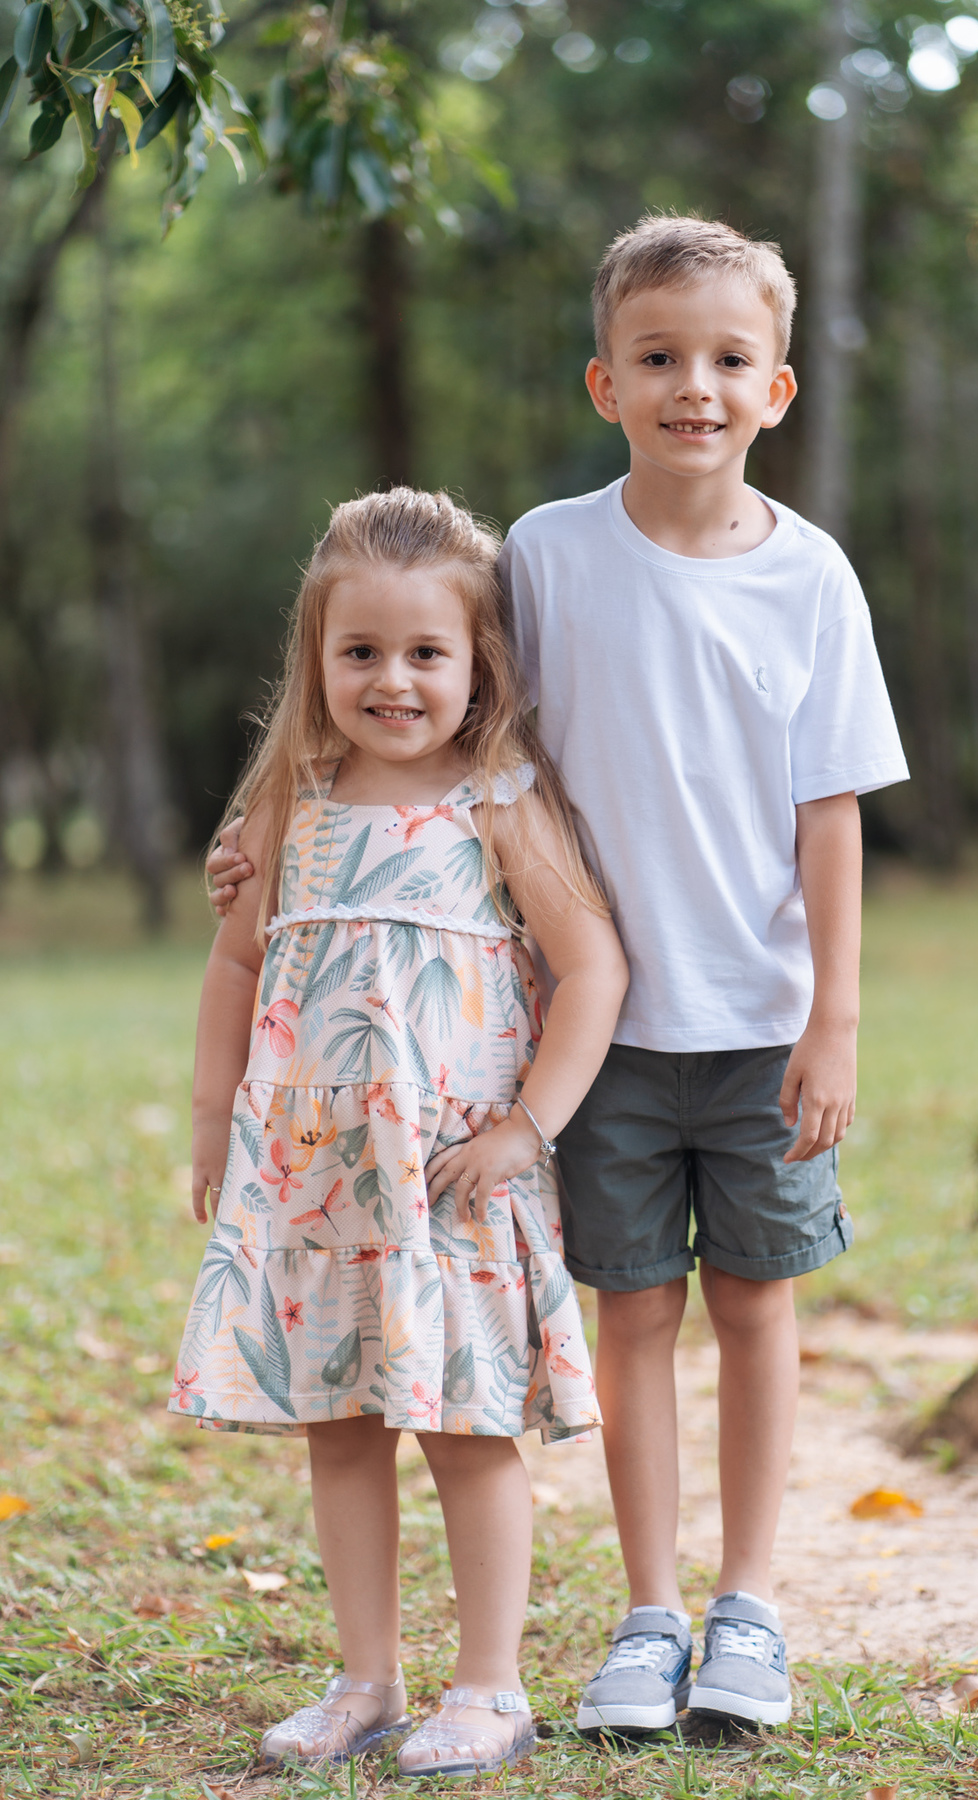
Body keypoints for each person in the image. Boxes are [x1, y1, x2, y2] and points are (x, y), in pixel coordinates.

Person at [210, 214, 909, 1734]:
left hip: (762, 1016)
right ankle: (648, 1616)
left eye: (730, 360)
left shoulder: (814, 580)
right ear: (607, 383)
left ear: (777, 389)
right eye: (660, 358)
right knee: (634, 1313)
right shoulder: (547, 552)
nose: (695, 388)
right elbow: (429, 692)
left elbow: (832, 811)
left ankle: (750, 1607)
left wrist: (835, 1017)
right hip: (582, 1041)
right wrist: (282, 836)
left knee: (759, 1307)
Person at [176, 486, 628, 1775]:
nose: (392, 679)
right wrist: (217, 1126)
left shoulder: (496, 801)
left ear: (477, 663)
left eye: (427, 652)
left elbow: (591, 968)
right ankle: (365, 1676)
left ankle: (489, 1685)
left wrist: (528, 1131)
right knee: (342, 1424)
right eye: (360, 652)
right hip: (318, 1181)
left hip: (456, 1182)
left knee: (470, 1428)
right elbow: (232, 968)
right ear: (315, 661)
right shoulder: (289, 810)